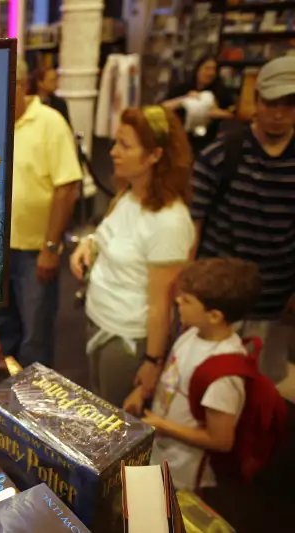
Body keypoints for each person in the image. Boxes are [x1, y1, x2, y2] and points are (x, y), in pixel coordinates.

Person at [70, 105, 194, 407]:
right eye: (116, 142)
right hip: (99, 319)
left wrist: (152, 362)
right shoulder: (127, 194)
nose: (113, 152)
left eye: (125, 146)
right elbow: (109, 235)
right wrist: (88, 244)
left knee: (113, 420)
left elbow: (161, 304)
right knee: (97, 408)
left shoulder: (169, 222)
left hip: (126, 338)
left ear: (154, 155)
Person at [191, 55, 295, 384]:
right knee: (209, 384)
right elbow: (193, 227)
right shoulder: (222, 153)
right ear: (257, 100)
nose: (278, 114)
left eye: (289, 104)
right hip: (218, 303)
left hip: (275, 302)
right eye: (271, 103)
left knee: (261, 387)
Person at [125, 258, 261, 491]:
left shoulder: (223, 374)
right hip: (160, 452)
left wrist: (162, 425)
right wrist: (142, 391)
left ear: (214, 316)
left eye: (187, 300)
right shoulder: (192, 333)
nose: (178, 301)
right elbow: (173, 377)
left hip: (183, 474)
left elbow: (221, 440)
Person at [0, 57, 81, 368]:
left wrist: (51, 248)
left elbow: (67, 188)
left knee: (35, 336)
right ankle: (5, 390)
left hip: (35, 252)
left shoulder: (50, 123)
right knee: (1, 331)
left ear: (22, 85)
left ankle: (33, 395)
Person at [162, 55, 235, 155]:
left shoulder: (221, 92)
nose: (210, 73)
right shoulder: (183, 88)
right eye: (207, 68)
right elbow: (163, 107)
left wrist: (214, 111)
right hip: (182, 140)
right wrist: (185, 99)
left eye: (214, 69)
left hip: (209, 141)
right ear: (198, 70)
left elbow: (232, 114)